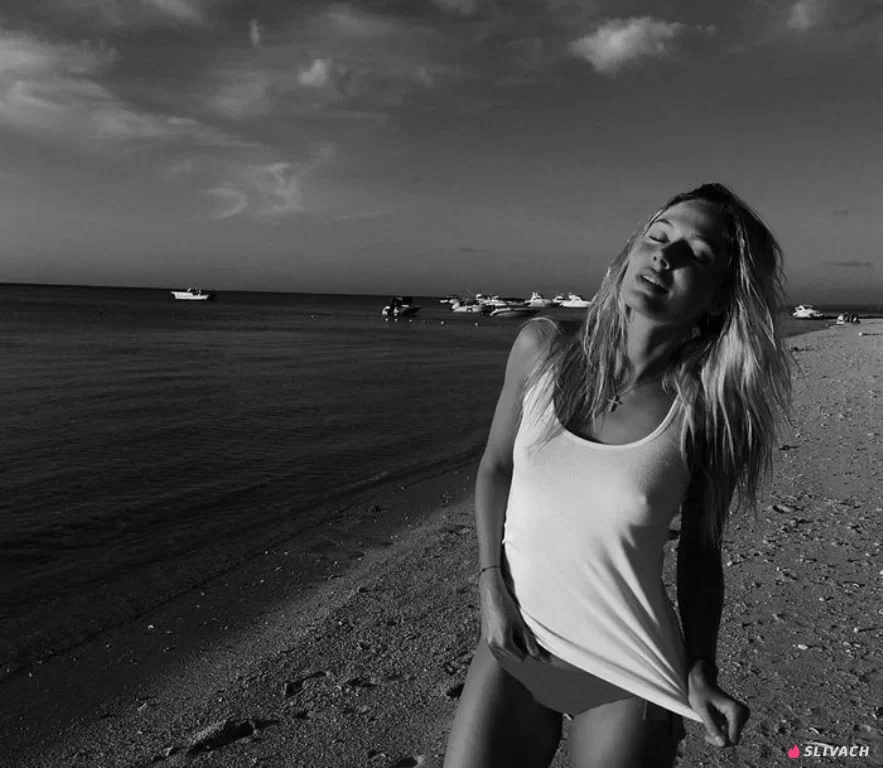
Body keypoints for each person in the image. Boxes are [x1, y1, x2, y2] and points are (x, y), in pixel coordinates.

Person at [443, 183, 793, 768]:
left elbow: (701, 551)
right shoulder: (540, 349)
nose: (665, 256)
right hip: (513, 642)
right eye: (658, 236)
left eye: (696, 253)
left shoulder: (707, 412)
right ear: (631, 252)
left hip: (629, 676)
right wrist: (489, 584)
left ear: (718, 299)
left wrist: (702, 666)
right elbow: (495, 467)